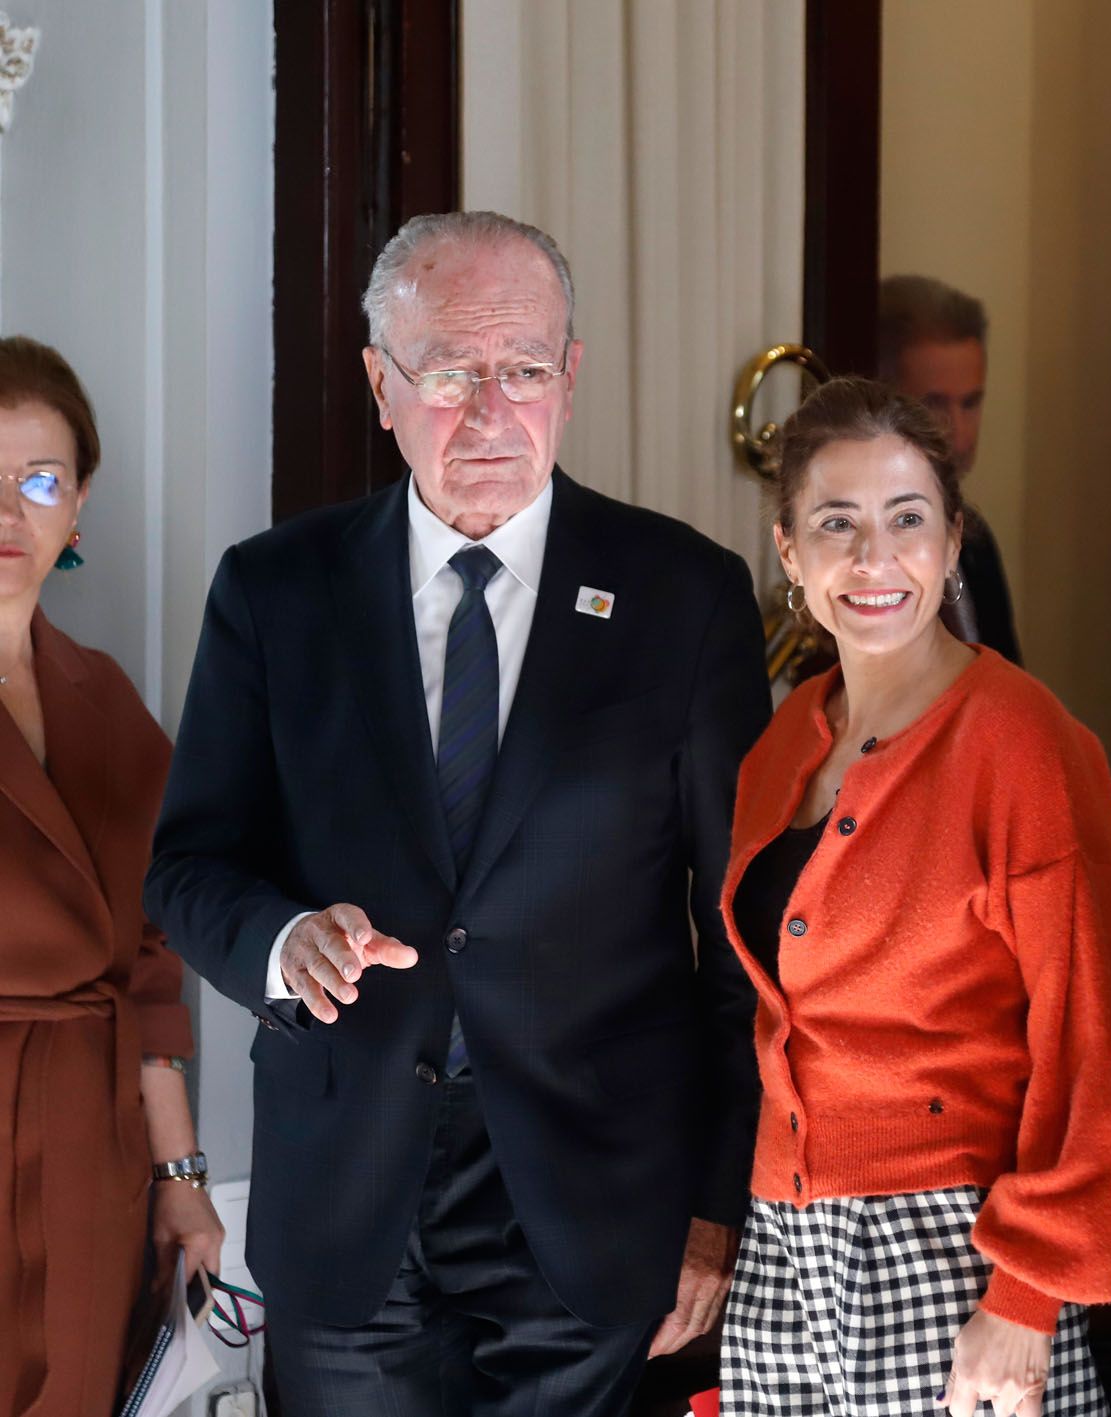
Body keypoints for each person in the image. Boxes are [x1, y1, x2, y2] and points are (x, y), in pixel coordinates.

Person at [144, 212, 768, 1414]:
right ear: (382, 387)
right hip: (346, 1192)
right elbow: (188, 867)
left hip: (590, 1199)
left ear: (571, 378)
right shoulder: (278, 590)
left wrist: (715, 1202)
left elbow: (735, 928)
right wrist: (282, 942)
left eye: (524, 370)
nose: (490, 413)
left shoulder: (682, 595)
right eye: (448, 373)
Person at [718, 377, 1111, 1417]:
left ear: (953, 542)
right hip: (783, 1248)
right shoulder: (782, 744)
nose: (874, 560)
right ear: (788, 553)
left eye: (906, 519)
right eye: (837, 524)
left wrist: (1029, 1295)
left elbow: (1097, 1051)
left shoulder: (1025, 745)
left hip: (953, 1252)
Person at [0, 336, 222, 1414]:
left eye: (37, 481)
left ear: (77, 502)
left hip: (93, 1146)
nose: (9, 513)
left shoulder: (107, 698)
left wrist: (180, 1182)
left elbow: (148, 965)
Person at [879, 274, 1022, 663]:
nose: (958, 434)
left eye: (971, 403)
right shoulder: (859, 552)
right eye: (934, 405)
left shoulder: (972, 538)